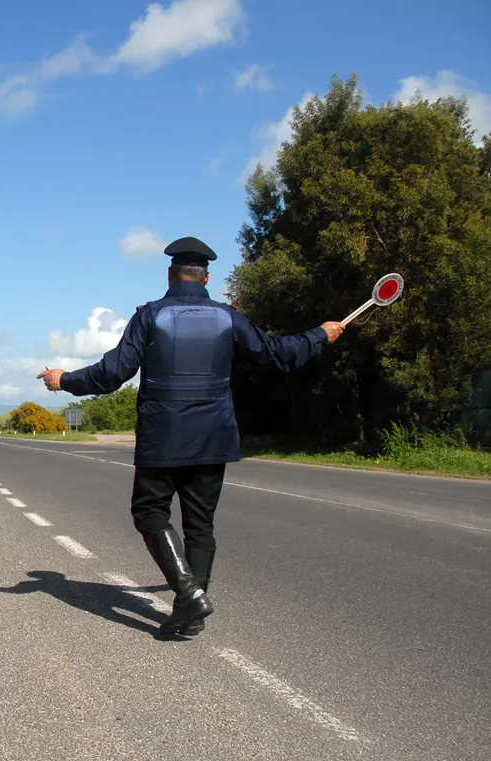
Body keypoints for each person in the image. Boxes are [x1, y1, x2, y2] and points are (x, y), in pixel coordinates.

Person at [36, 237, 345, 639]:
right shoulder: (228, 318)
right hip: (213, 437)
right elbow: (276, 353)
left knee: (148, 513)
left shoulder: (150, 316)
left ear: (170, 274)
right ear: (207, 277)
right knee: (200, 526)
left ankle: (188, 592)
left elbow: (112, 373)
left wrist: (65, 380)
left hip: (163, 438)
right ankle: (191, 610)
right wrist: (319, 335)